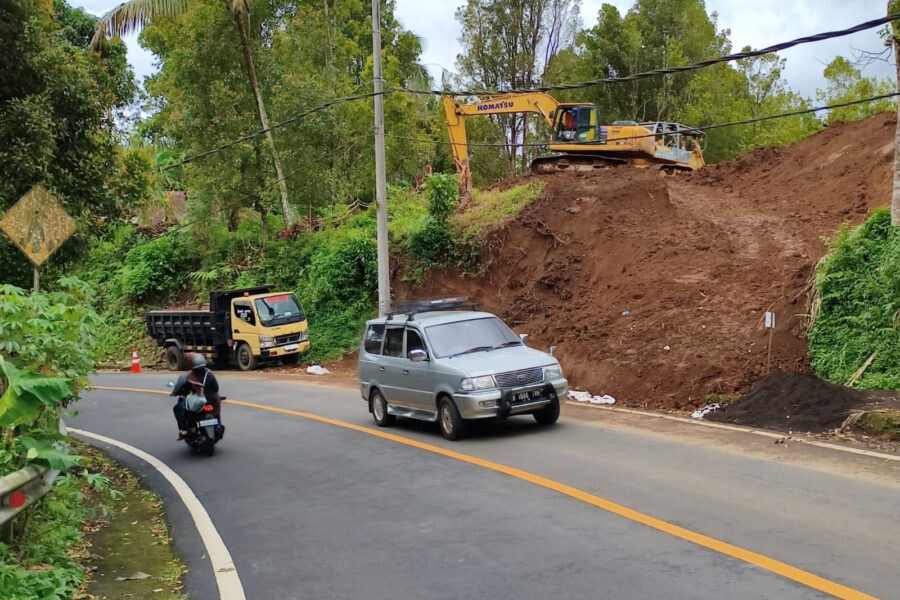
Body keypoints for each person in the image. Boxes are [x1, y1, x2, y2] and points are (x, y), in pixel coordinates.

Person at [172, 353, 222, 439]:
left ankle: (183, 429)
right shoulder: (209, 373)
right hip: (209, 400)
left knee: (177, 408)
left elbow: (177, 389)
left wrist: (174, 393)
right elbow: (216, 388)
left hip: (196, 401)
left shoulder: (186, 376)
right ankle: (218, 425)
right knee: (216, 409)